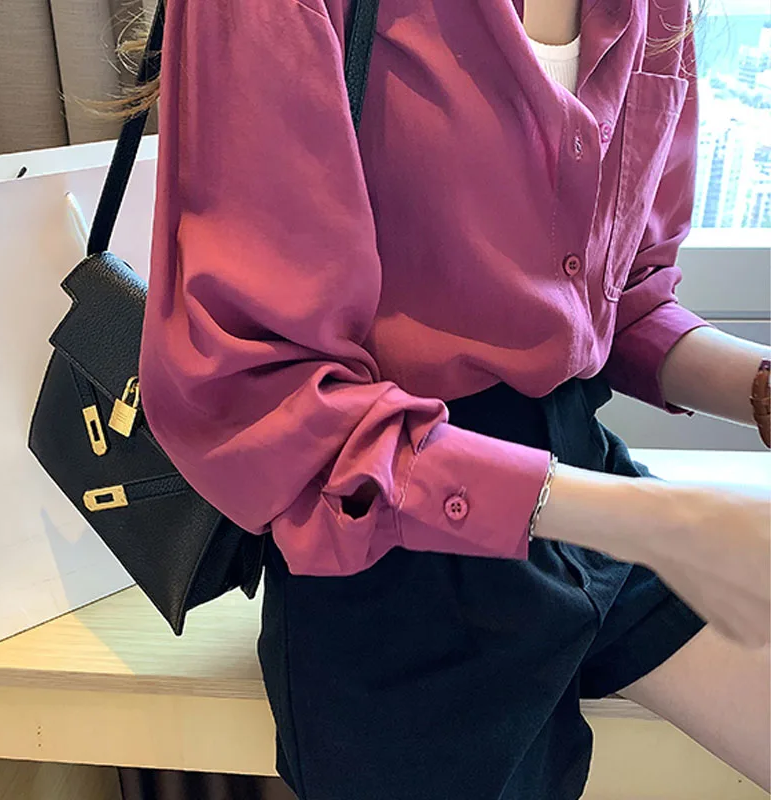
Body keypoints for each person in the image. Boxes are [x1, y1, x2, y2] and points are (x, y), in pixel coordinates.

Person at [135, 0, 771, 796]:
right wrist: (669, 524)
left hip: (589, 491)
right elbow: (263, 391)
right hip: (390, 552)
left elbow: (620, 301)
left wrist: (759, 392)